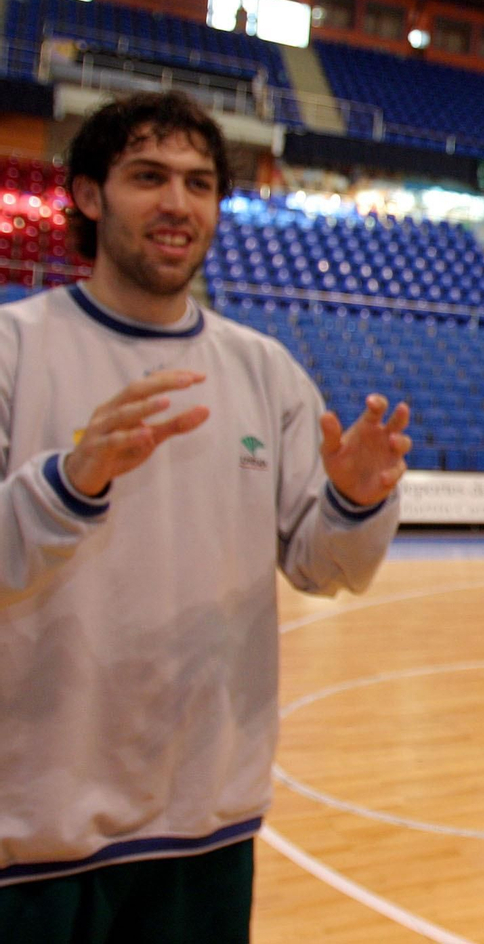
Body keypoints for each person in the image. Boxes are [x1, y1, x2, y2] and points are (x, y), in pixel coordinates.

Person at [0, 92, 410, 941]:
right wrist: (70, 481)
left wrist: (356, 501)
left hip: (205, 823)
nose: (178, 203)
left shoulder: (265, 370)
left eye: (199, 182)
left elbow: (327, 567)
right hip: (30, 829)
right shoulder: (16, 349)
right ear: (86, 194)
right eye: (148, 177)